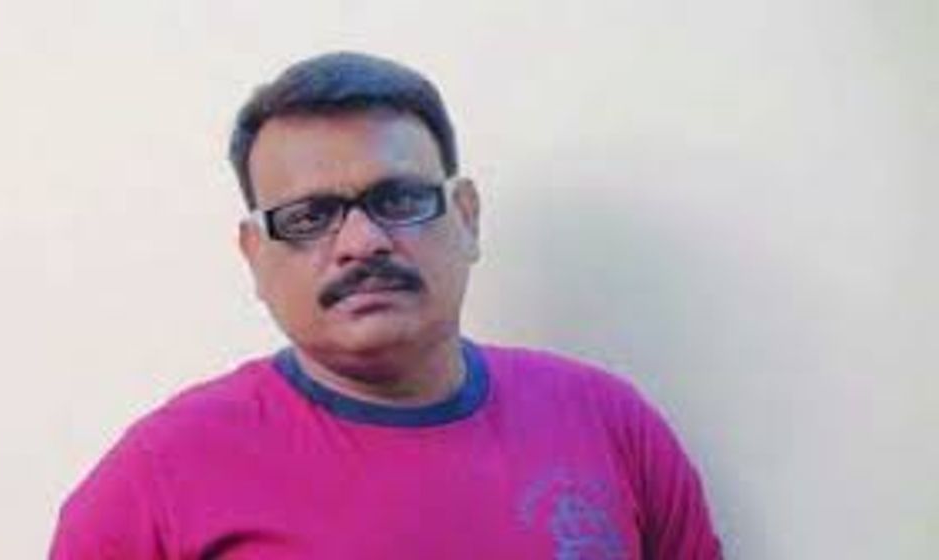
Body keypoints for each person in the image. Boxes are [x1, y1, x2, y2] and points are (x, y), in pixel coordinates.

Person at [50, 51, 722, 559]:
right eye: (309, 217)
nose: (362, 242)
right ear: (254, 255)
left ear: (466, 217)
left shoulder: (607, 424)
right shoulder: (161, 477)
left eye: (398, 199)